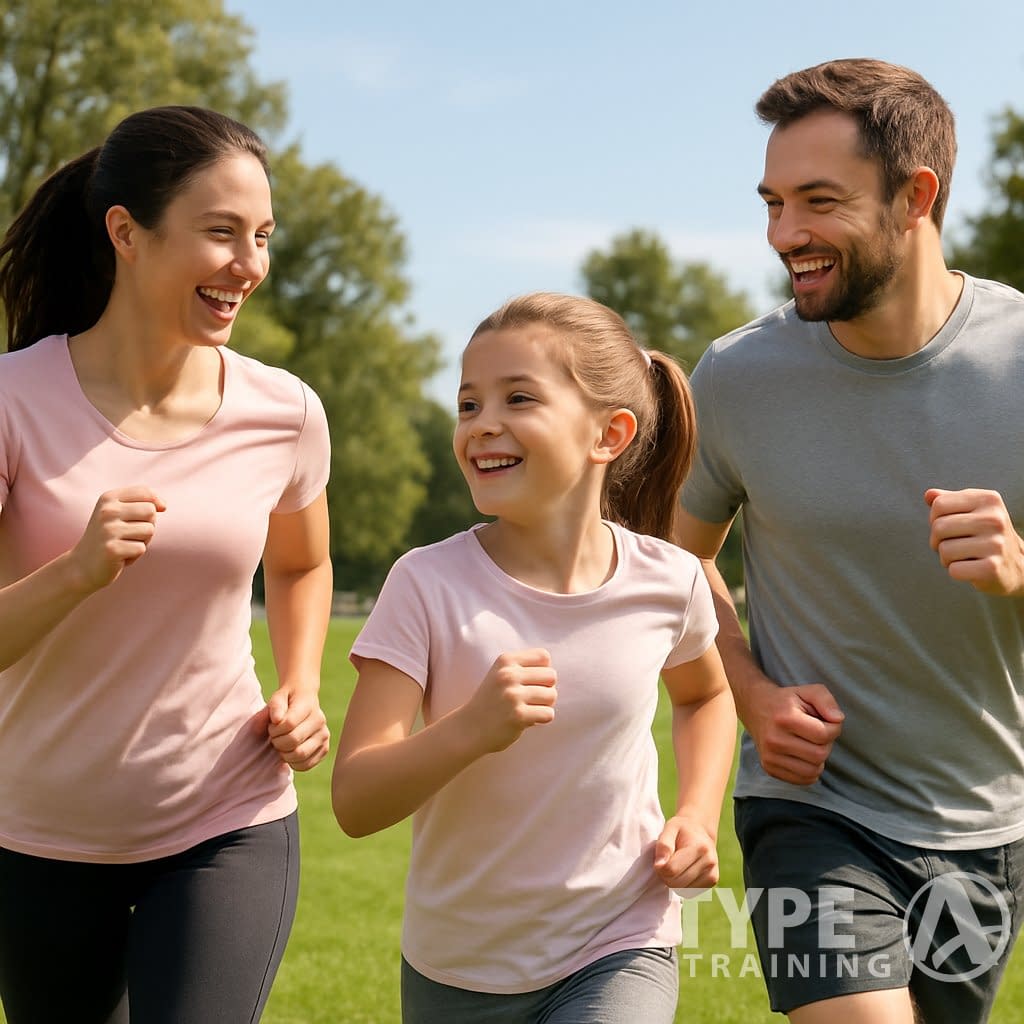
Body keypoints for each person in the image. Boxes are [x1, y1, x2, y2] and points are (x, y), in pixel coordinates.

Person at [675, 58, 1024, 1024]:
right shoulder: (742, 376)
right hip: (811, 808)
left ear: (917, 197)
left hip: (984, 818)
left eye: (818, 202)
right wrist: (753, 694)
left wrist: (1020, 571)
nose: (787, 236)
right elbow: (675, 563)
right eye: (774, 203)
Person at [0, 106, 333, 1024]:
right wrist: (72, 572)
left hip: (225, 818)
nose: (250, 265)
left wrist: (300, 685)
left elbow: (301, 565)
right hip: (39, 834)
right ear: (126, 233)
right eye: (221, 233)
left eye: (262, 236)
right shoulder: (12, 402)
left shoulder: (286, 412)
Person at [331, 292, 736, 1023]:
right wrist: (470, 728)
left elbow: (705, 696)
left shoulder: (668, 581)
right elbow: (355, 801)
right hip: (460, 965)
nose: (483, 425)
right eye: (467, 405)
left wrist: (698, 816)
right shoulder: (424, 584)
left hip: (619, 940)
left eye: (518, 398)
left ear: (608, 433)